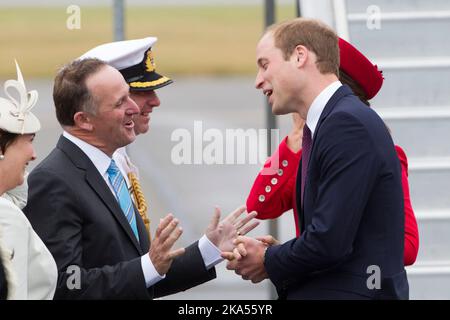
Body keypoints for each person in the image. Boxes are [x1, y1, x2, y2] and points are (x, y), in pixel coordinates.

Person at [23, 57, 258, 299]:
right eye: (120, 102)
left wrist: (209, 249)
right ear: (84, 120)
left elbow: (141, 277)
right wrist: (149, 267)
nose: (134, 108)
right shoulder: (53, 182)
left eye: (129, 95)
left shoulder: (109, 169)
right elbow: (65, 286)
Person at [223, 18, 409, 299]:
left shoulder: (345, 125)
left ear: (300, 56)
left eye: (265, 64)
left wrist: (269, 258)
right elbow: (263, 206)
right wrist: (282, 254)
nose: (258, 80)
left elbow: (329, 242)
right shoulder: (328, 127)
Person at [246, 37, 419, 266]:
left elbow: (406, 248)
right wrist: (293, 141)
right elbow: (259, 205)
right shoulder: (304, 153)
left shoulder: (383, 153)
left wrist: (305, 253)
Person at [0, 61, 57, 299]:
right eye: (29, 140)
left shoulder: (8, 204)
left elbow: (17, 198)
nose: (34, 154)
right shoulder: (6, 217)